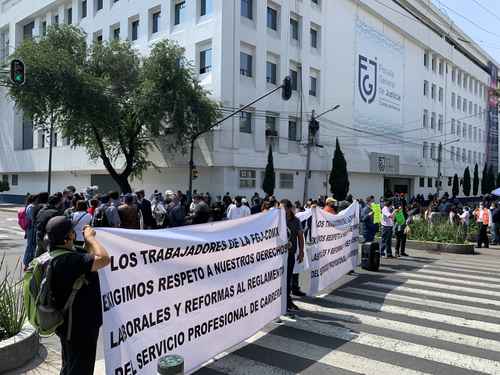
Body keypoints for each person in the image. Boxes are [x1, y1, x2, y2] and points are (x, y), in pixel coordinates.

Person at [45, 216, 110, 375]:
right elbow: (104, 259)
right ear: (69, 236)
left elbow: (85, 262)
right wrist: (90, 238)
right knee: (81, 368)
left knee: (70, 365)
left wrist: (87, 244)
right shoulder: (68, 261)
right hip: (80, 327)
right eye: (72, 231)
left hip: (68, 324)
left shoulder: (56, 255)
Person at [280, 199, 305, 312]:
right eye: (280, 208)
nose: (282, 210)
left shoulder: (296, 221)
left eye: (284, 208)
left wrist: (301, 252)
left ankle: (287, 301)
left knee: (288, 278)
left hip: (290, 255)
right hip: (279, 256)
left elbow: (300, 237)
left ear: (290, 208)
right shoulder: (278, 220)